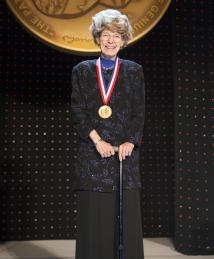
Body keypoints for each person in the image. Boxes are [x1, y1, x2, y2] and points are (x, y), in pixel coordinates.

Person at [70, 9, 145, 259]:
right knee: (94, 222)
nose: (111, 40)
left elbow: (138, 112)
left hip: (124, 158)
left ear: (123, 40)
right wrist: (97, 140)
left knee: (125, 223)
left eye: (116, 35)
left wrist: (131, 141)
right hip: (92, 156)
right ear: (97, 37)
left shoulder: (134, 71)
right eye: (106, 34)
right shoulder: (82, 70)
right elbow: (78, 112)